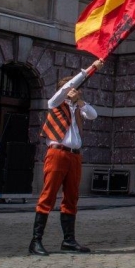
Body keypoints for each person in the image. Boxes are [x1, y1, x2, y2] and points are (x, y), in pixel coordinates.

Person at [29, 59, 104, 256]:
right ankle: (35, 241)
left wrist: (80, 102)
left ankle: (68, 240)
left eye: (76, 89)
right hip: (57, 154)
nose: (73, 91)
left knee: (71, 197)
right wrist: (92, 68)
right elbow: (67, 88)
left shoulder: (77, 108)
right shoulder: (55, 103)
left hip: (74, 157)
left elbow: (93, 114)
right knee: (48, 195)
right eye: (71, 89)